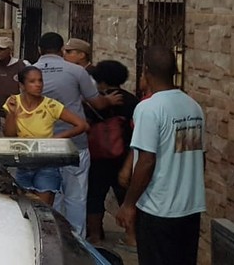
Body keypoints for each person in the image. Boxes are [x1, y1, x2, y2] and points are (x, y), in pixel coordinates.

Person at [116, 46, 205, 265]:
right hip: (190, 207)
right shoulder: (192, 106)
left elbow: (146, 161)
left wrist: (128, 204)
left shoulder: (149, 108)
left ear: (146, 70)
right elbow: (197, 156)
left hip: (159, 209)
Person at [33, 32, 122, 237]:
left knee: (48, 196)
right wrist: (109, 101)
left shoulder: (29, 72)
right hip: (74, 143)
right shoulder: (76, 71)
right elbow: (97, 102)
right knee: (76, 197)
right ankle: (75, 243)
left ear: (39, 50)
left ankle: (51, 240)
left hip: (41, 145)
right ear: (61, 49)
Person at [3, 66, 89, 205]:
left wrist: (56, 139)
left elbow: (82, 125)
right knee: (24, 208)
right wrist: (12, 113)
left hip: (47, 163)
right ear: (22, 85)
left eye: (40, 81)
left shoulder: (50, 105)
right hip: (23, 162)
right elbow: (9, 135)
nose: (38, 85)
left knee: (44, 210)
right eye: (32, 81)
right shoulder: (14, 102)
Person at [84, 60, 139, 247]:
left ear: (101, 79)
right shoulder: (132, 101)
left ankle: (95, 236)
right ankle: (132, 235)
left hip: (98, 156)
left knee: (95, 196)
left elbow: (86, 126)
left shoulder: (94, 102)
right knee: (126, 196)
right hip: (124, 156)